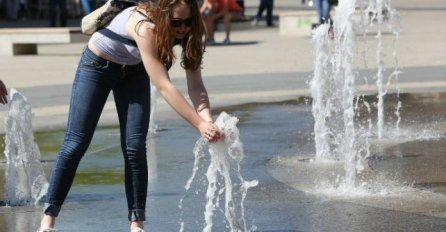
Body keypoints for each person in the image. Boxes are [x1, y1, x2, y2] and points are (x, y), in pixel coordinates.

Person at [38, 0, 222, 231]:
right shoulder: (146, 27)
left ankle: (137, 225)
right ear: (164, 16)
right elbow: (163, 86)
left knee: (135, 147)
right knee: (76, 143)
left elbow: (195, 84)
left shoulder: (193, 32)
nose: (183, 28)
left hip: (134, 70)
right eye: (176, 23)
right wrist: (198, 124)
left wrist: (208, 120)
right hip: (97, 65)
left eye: (188, 22)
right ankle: (48, 220)